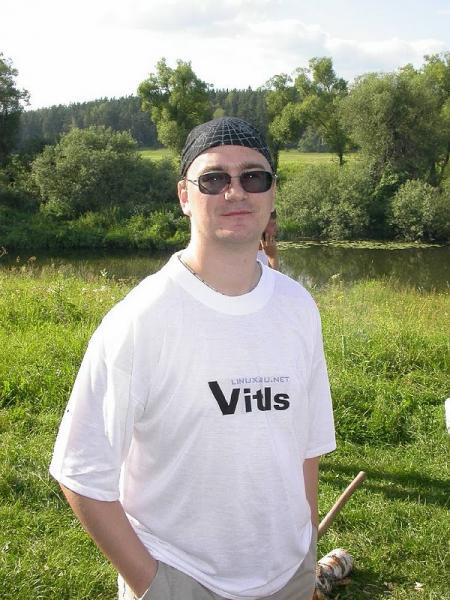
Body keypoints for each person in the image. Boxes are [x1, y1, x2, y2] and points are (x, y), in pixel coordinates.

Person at [50, 117, 336, 600]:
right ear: (185, 195)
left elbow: (308, 445)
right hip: (183, 578)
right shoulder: (142, 318)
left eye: (253, 177)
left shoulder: (297, 306)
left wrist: (305, 543)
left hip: (290, 573)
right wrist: (156, 585)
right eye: (214, 178)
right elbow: (80, 471)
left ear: (272, 193)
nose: (235, 191)